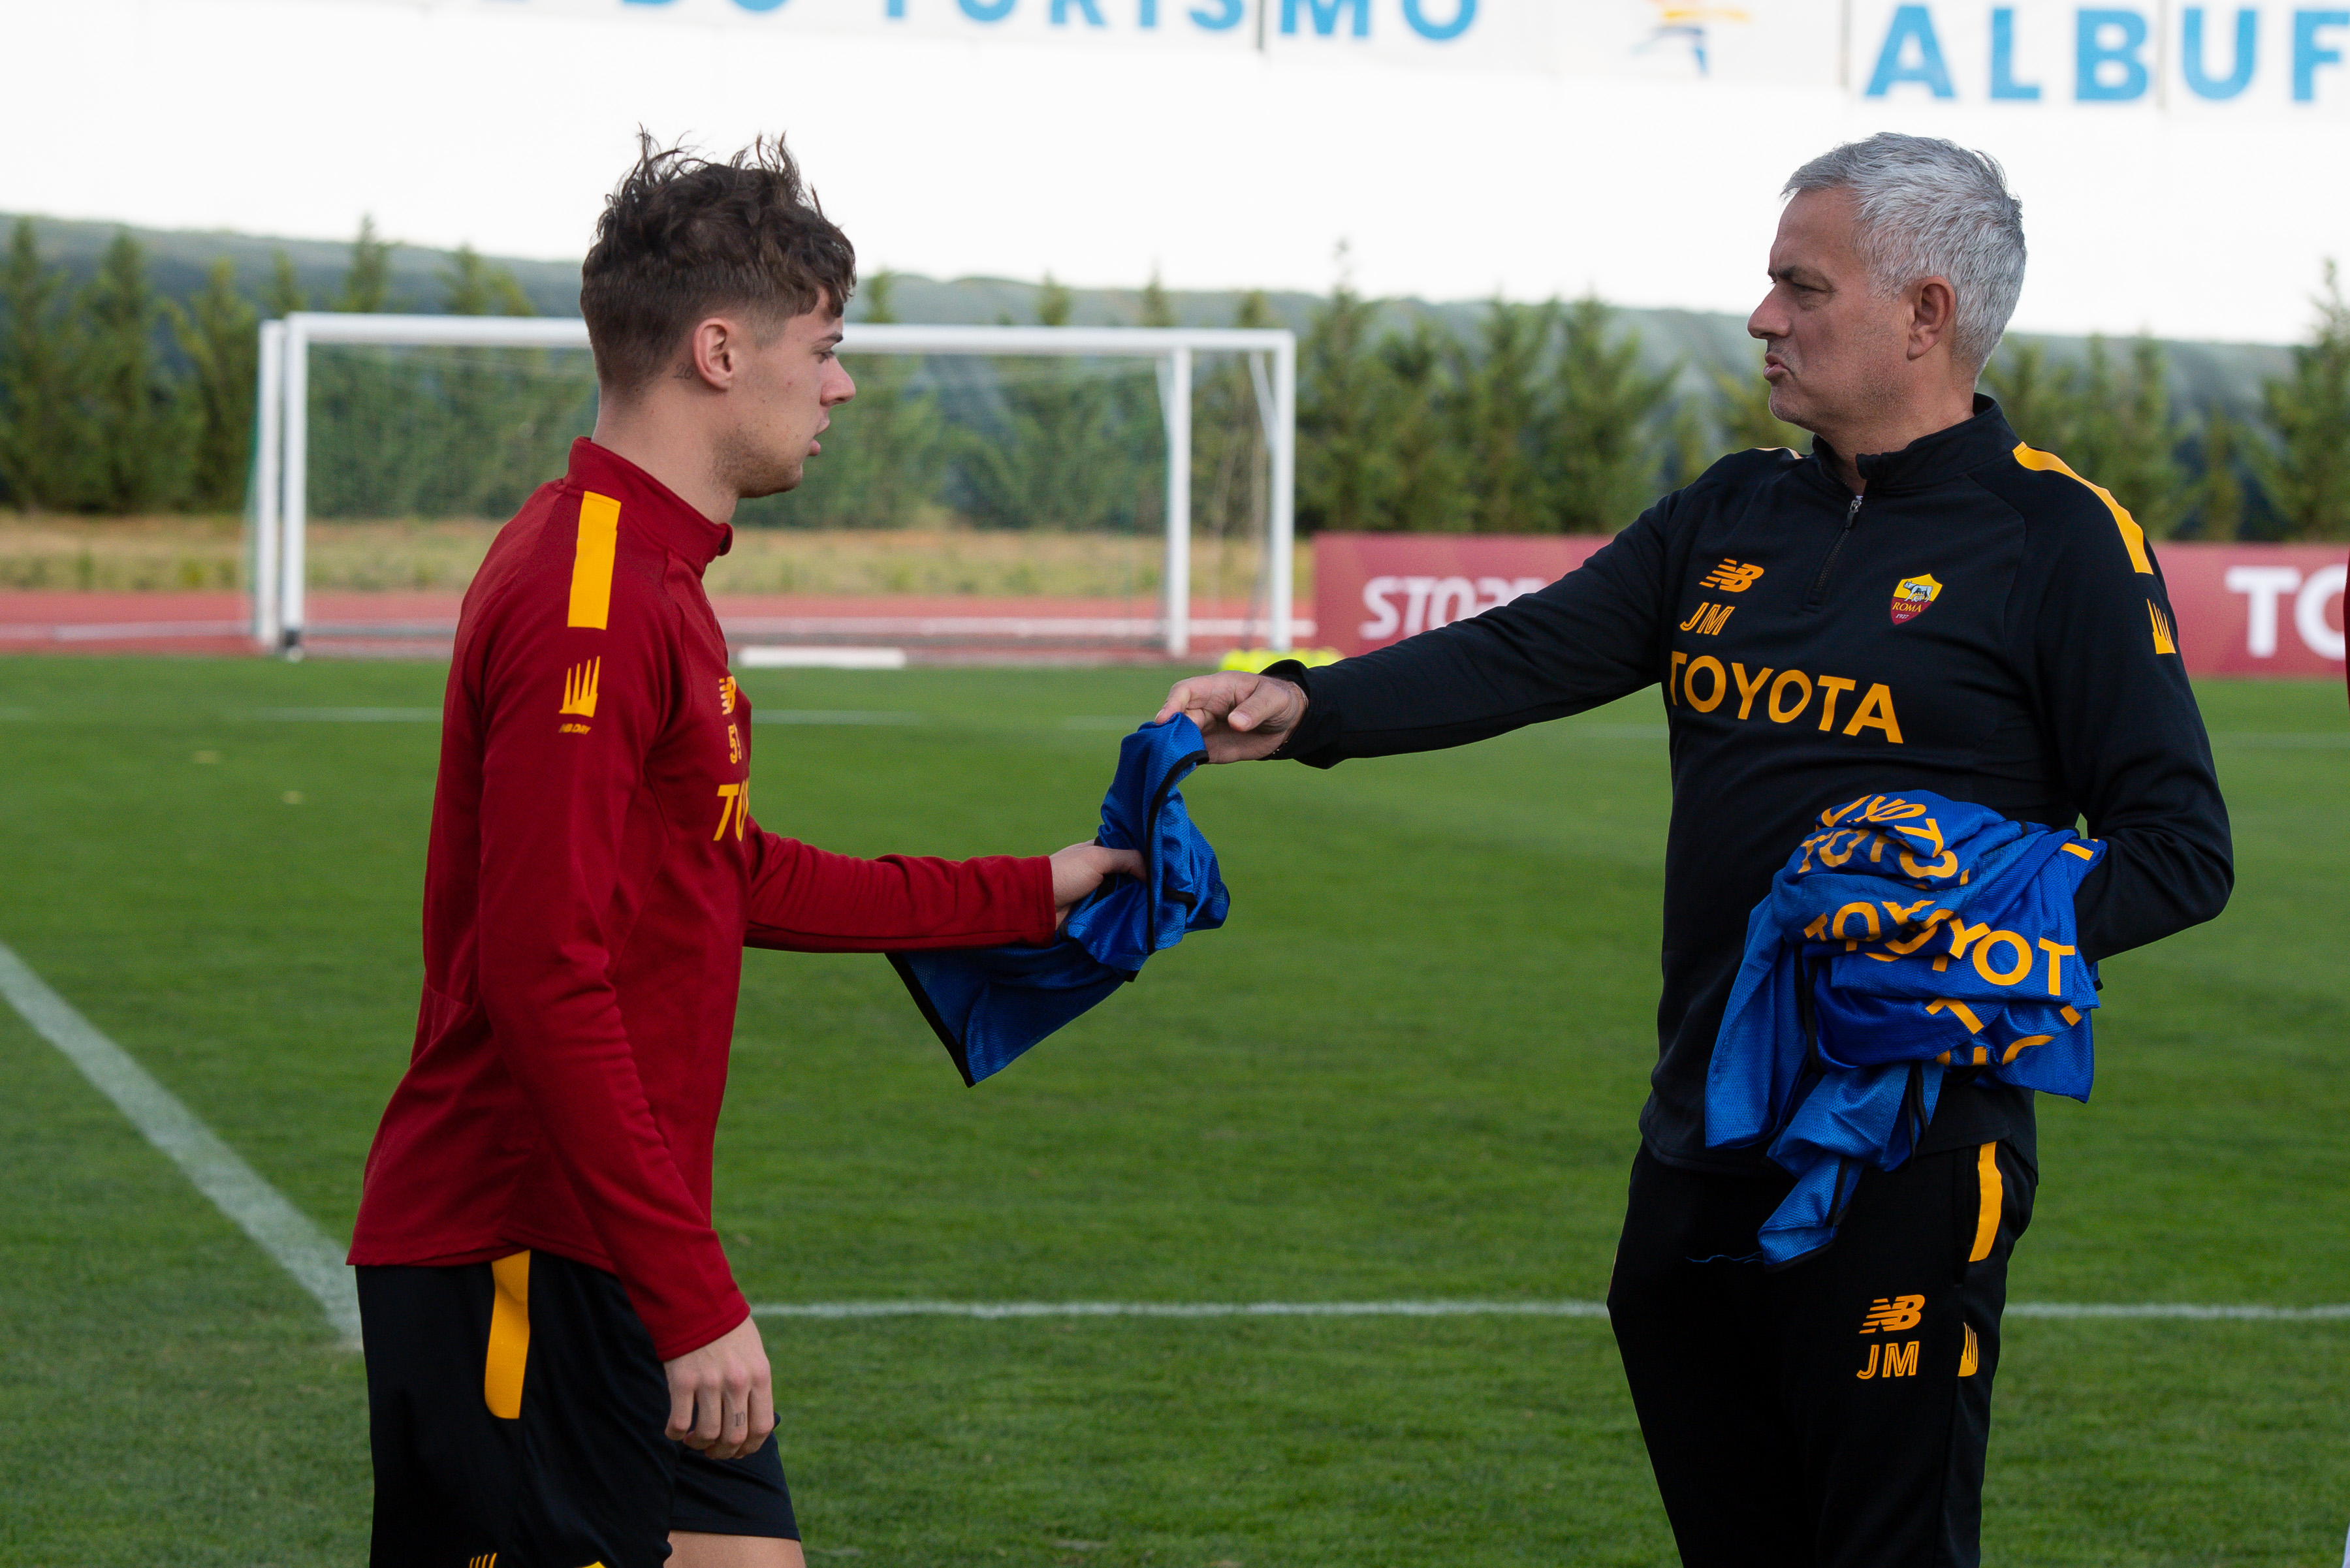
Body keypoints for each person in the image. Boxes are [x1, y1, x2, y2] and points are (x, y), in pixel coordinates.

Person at [1158, 133, 2231, 1567]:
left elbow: (2181, 850)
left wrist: (1973, 920)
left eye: (1803, 286)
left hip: (1905, 1154)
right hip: (1698, 1140)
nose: (1763, 317)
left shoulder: (2061, 538)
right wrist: (1311, 702)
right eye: (1770, 281)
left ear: (1926, 314)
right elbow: (1531, 649)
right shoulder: (1729, 512)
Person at [347, 136, 1140, 1568]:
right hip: (523, 1246)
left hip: (615, 1246)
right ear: (721, 349)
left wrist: (1035, 885)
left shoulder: (656, 575)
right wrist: (691, 1290)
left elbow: (727, 871)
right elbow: (541, 972)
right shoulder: (589, 595)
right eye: (824, 348)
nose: (841, 384)